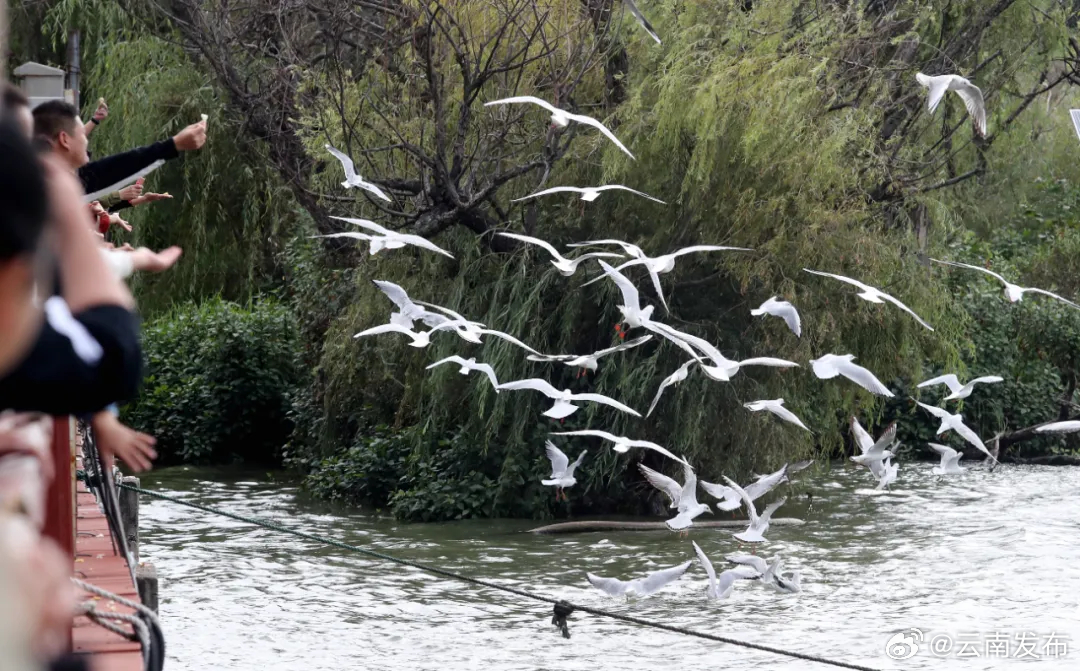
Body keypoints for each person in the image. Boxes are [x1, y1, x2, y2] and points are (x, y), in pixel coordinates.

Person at [32, 100, 207, 196]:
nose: (86, 141)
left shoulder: (44, 183)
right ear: (64, 139)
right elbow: (109, 171)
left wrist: (173, 145)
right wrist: (174, 145)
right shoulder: (47, 195)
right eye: (82, 135)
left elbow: (113, 167)